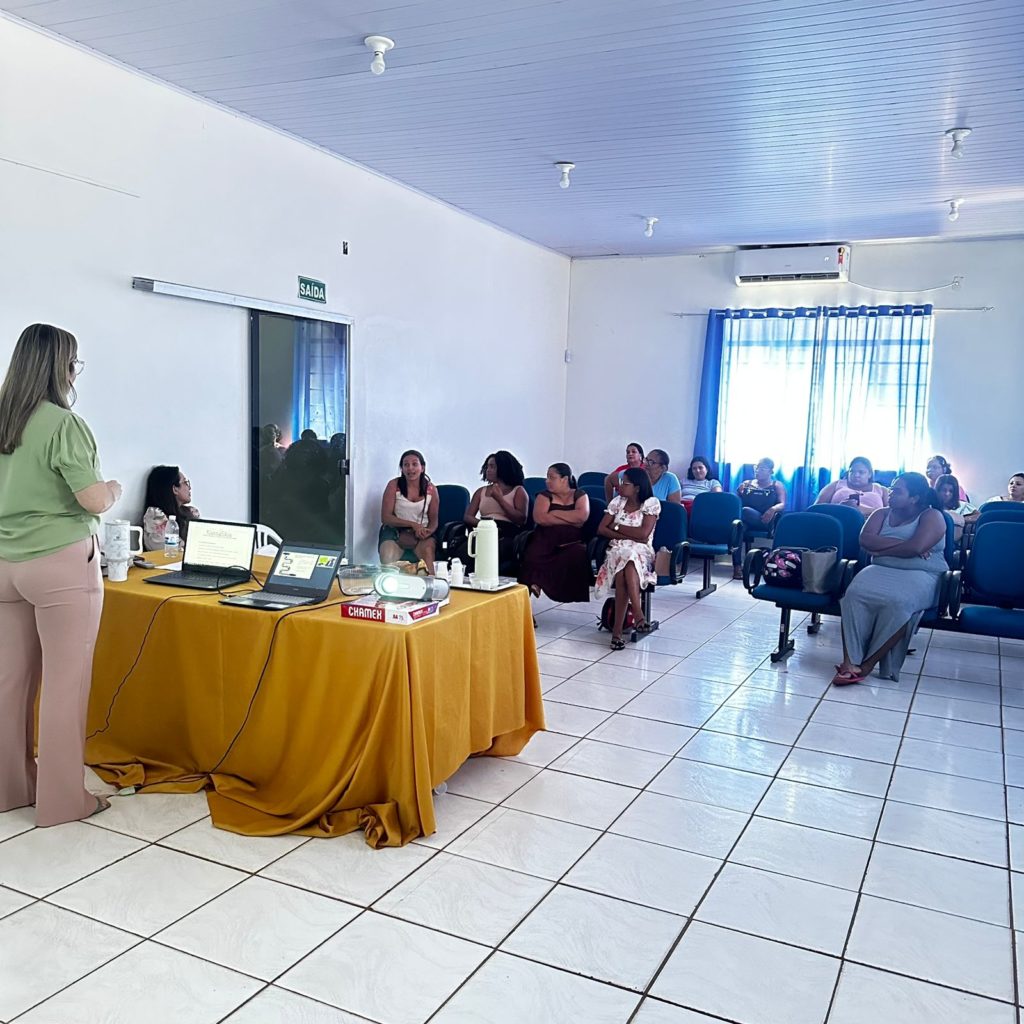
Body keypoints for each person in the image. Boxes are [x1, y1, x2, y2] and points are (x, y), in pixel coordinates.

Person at [0, 324, 122, 825]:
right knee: (64, 684)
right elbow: (91, 499)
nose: (75, 372)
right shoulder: (63, 424)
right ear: (59, 367)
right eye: (73, 363)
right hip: (60, 563)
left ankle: (10, 789)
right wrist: (113, 488)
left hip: (4, 563)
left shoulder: (3, 419)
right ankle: (62, 801)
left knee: (9, 682)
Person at [834, 473, 948, 685]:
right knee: (854, 595)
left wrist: (881, 548)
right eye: (892, 489)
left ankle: (866, 666)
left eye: (897, 491)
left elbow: (915, 547)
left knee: (898, 602)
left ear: (914, 498)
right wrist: (906, 545)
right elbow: (865, 540)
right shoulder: (881, 513)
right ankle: (850, 662)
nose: (890, 494)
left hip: (923, 574)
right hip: (879, 568)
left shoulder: (932, 516)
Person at [594, 468, 661, 649]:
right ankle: (638, 615)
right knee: (625, 558)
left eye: (625, 483)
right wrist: (627, 535)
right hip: (616, 550)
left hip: (641, 553)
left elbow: (643, 534)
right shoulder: (617, 502)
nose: (620, 486)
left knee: (627, 563)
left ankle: (617, 633)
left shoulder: (651, 503)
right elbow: (601, 529)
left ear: (637, 488)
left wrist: (616, 527)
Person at [519, 463, 591, 603]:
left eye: (552, 478)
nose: (547, 481)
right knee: (534, 554)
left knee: (578, 553)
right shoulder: (544, 496)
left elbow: (581, 517)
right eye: (547, 477)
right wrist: (571, 518)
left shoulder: (580, 495)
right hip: (545, 538)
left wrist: (554, 512)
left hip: (571, 541)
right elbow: (541, 518)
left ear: (564, 479)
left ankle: (558, 590)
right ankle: (530, 594)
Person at [450, 450, 528, 571]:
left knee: (490, 552)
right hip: (484, 528)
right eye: (487, 467)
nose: (488, 470)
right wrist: (483, 524)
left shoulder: (518, 491)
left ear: (503, 468)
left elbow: (520, 519)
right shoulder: (481, 491)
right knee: (465, 552)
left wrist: (500, 499)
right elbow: (468, 516)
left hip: (506, 533)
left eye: (492, 467)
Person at [379, 449, 439, 566]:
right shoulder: (393, 485)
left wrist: (427, 532)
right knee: (387, 555)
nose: (410, 468)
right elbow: (386, 517)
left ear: (422, 468)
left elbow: (434, 522)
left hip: (421, 534)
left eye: (414, 464)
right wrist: (412, 524)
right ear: (401, 468)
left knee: (428, 557)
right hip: (395, 532)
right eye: (406, 465)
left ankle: (430, 578)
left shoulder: (432, 490)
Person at [734, 457, 787, 578]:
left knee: (745, 511)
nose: (758, 471)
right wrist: (739, 492)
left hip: (765, 521)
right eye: (756, 468)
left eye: (762, 469)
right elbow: (735, 502)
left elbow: (782, 504)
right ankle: (737, 566)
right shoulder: (747, 484)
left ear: (771, 471)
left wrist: (773, 509)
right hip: (746, 520)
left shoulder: (776, 485)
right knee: (737, 528)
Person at [142, 466, 201, 551]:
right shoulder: (155, 516)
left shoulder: (190, 512)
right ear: (175, 489)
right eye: (185, 482)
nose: (189, 488)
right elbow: (169, 550)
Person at [815, 456, 888, 518]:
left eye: (861, 472)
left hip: (872, 524)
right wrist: (839, 508)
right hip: (838, 521)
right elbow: (816, 508)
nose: (856, 475)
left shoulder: (882, 490)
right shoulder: (836, 485)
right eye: (852, 471)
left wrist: (861, 509)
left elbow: (891, 513)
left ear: (870, 474)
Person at [934, 473, 976, 542]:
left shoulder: (962, 505)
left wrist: (961, 519)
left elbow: (979, 516)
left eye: (951, 491)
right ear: (938, 490)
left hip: (955, 542)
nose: (947, 494)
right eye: (944, 490)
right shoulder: (930, 506)